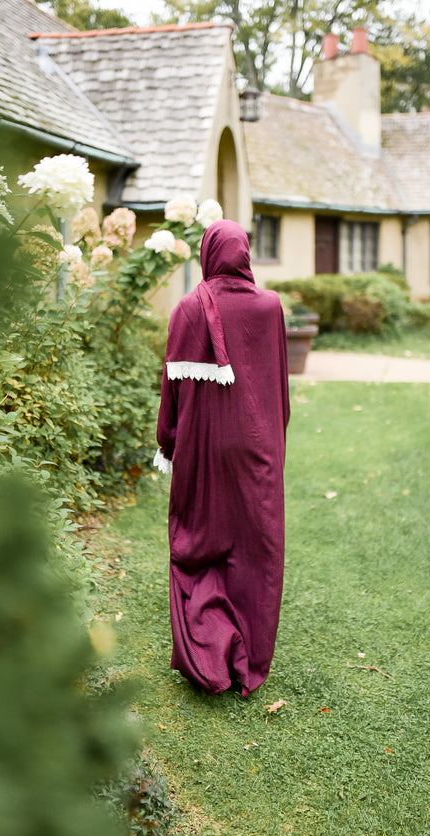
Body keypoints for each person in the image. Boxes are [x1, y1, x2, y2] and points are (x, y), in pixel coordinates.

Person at [154, 219, 290, 697]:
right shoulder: (271, 307)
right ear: (245, 253)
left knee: (199, 547)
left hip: (202, 453)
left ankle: (211, 660)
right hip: (258, 452)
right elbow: (278, 386)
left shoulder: (187, 309)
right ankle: (247, 660)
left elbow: (172, 396)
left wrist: (168, 441)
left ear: (208, 254)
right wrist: (275, 442)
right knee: (255, 554)